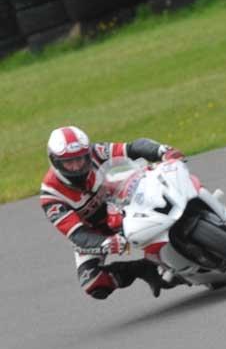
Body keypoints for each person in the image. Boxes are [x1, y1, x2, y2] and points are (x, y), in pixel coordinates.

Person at [40, 126, 185, 299]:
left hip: (124, 205)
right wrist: (106, 243)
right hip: (95, 233)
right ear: (55, 162)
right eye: (69, 162)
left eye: (80, 159)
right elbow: (77, 234)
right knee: (93, 283)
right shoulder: (51, 195)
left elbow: (132, 148)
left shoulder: (95, 152)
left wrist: (162, 151)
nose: (77, 166)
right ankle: (144, 268)